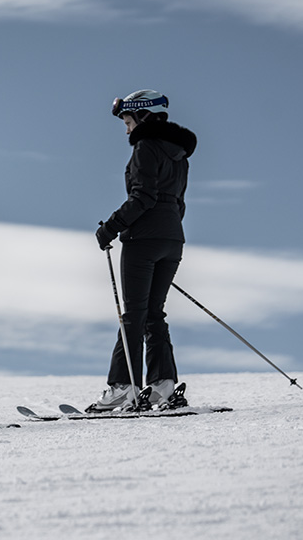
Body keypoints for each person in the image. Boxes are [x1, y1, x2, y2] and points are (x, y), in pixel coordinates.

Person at [92, 90, 196, 412]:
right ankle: (163, 385)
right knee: (154, 313)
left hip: (143, 241)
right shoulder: (180, 155)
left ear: (143, 116)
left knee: (133, 315)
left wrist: (110, 227)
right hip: (173, 241)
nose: (126, 128)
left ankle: (123, 387)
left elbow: (143, 197)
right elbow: (178, 203)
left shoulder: (144, 148)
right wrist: (165, 235)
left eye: (127, 120)